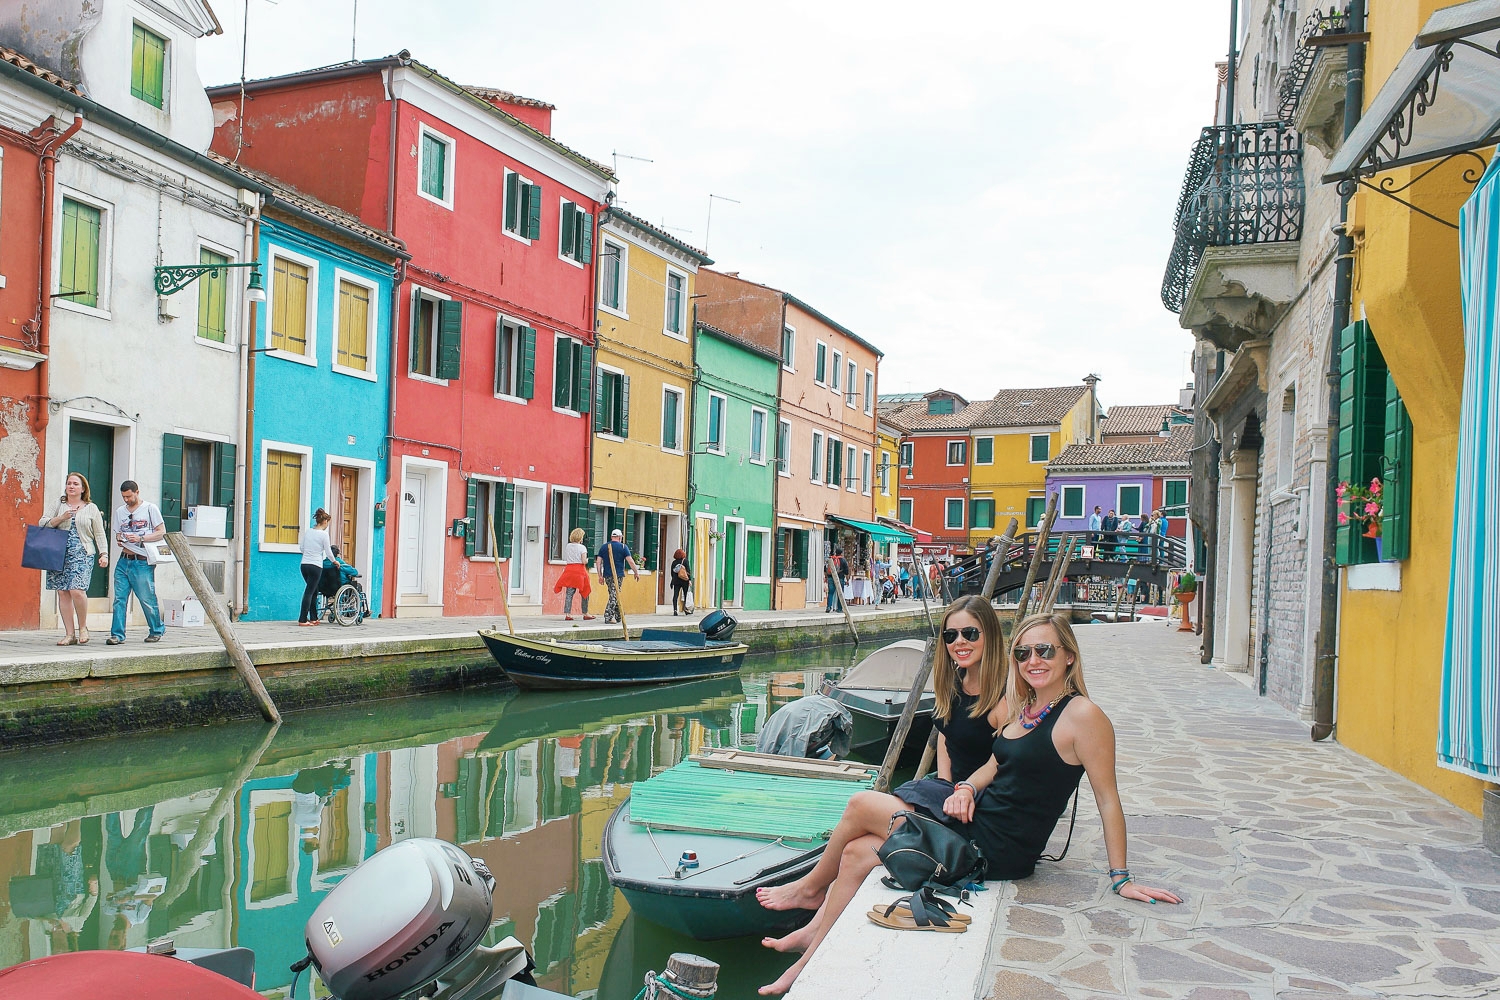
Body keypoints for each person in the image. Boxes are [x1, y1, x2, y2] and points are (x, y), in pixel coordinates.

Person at [754, 610, 1181, 995]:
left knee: (862, 804)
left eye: (1045, 650)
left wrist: (1121, 877)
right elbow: (992, 765)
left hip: (996, 847)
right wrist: (965, 789)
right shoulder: (1033, 709)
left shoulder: (1084, 716)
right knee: (854, 853)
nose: (1033, 660)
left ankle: (810, 889)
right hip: (975, 827)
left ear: (1069, 656)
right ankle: (806, 959)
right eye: (1023, 652)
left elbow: (1108, 800)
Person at [40, 472, 109, 646]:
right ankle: (70, 634)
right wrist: (61, 518)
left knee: (77, 590)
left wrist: (104, 554)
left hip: (82, 552)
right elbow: (42, 523)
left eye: (75, 484)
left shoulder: (91, 508)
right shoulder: (58, 504)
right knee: (63, 592)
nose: (71, 486)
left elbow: (99, 533)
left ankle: (83, 627)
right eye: (69, 483)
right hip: (58, 551)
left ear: (83, 488)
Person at [106, 480, 166, 644]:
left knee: (147, 598)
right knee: (119, 599)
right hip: (124, 559)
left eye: (129, 496)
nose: (126, 500)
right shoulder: (120, 512)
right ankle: (117, 634)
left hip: (142, 560)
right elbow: (118, 532)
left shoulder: (150, 508)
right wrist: (120, 538)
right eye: (124, 497)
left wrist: (141, 538)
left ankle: (156, 630)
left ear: (137, 492)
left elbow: (161, 532)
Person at [298, 508, 336, 626]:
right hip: (316, 566)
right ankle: (303, 619)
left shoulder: (309, 532)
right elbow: (329, 552)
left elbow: (302, 548)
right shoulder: (324, 535)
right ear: (325, 522)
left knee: (314, 590)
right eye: (327, 523)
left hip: (304, 565)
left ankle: (313, 618)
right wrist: (335, 561)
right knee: (309, 591)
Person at [595, 528, 640, 624]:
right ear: (620, 537)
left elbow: (598, 562)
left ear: (612, 537)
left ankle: (619, 616)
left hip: (607, 575)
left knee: (614, 593)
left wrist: (600, 575)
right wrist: (636, 572)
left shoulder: (604, 547)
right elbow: (630, 561)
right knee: (614, 594)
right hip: (618, 575)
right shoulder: (623, 547)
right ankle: (608, 616)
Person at [556, 527, 595, 621]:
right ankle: (585, 613)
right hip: (579, 571)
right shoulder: (582, 547)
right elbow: (583, 561)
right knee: (585, 591)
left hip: (569, 570)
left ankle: (568, 614)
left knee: (569, 593)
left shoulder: (568, 546)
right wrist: (588, 560)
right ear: (580, 537)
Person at [669, 547, 692, 615]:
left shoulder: (674, 562)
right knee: (685, 595)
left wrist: (673, 581)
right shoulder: (685, 561)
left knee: (675, 596)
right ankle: (685, 609)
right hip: (684, 581)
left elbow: (672, 573)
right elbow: (688, 571)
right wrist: (689, 580)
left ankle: (675, 610)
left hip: (676, 581)